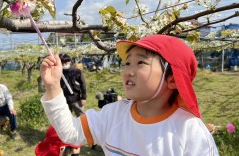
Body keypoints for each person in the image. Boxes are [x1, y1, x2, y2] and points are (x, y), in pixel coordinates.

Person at [40, 34, 219, 155]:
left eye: (140, 62)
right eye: (127, 63)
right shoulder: (112, 115)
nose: (128, 71)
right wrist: (53, 87)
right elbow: (71, 132)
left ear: (172, 79)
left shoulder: (190, 131)